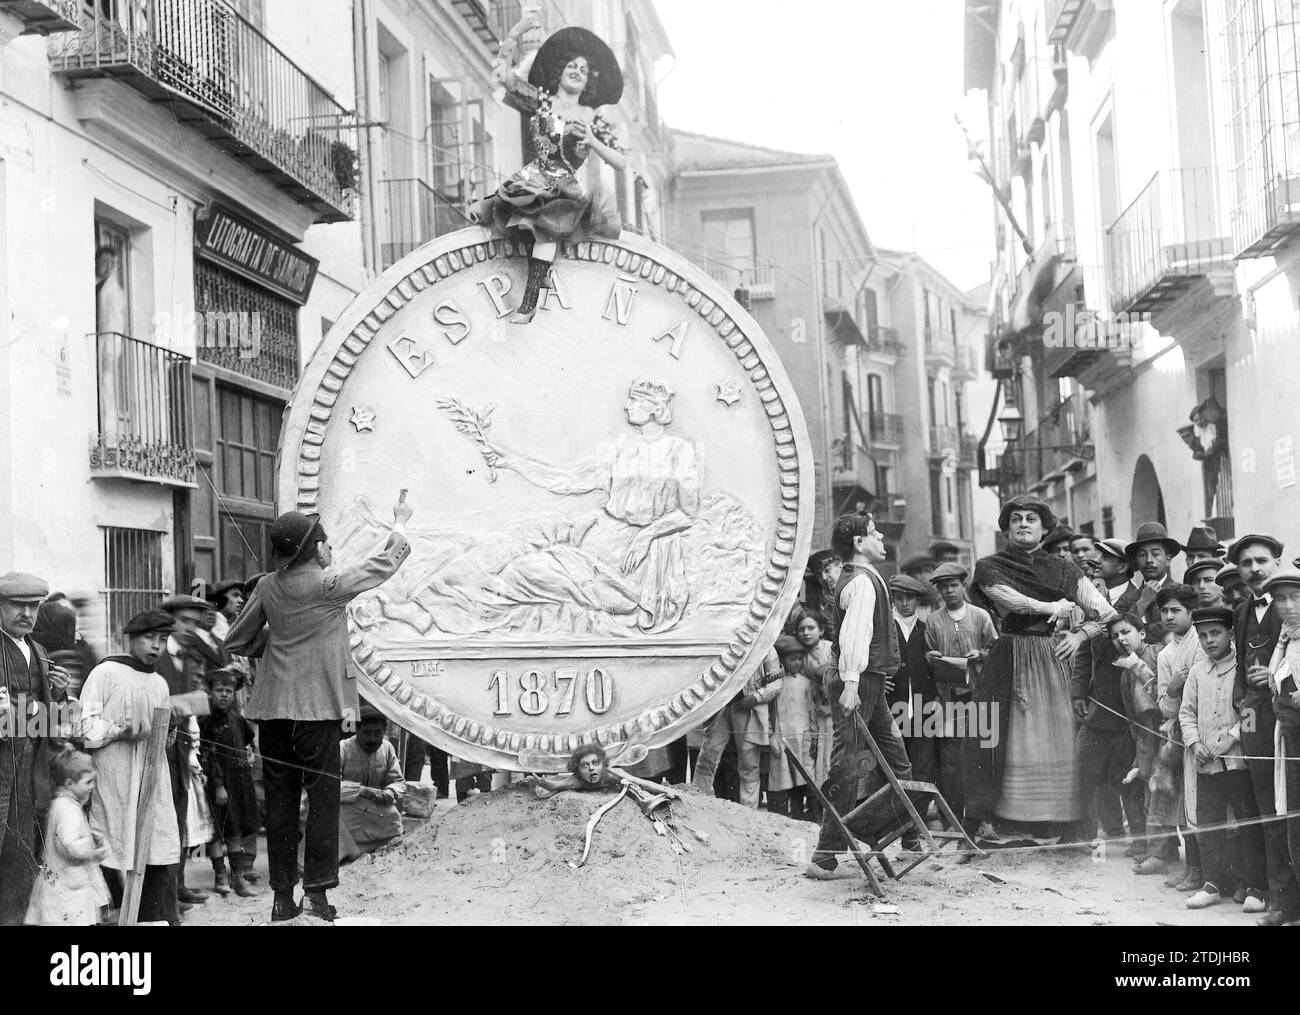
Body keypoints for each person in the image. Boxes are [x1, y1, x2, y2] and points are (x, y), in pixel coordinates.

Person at [224, 492, 413, 923]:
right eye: (325, 543)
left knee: (280, 806)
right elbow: (383, 565)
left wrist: (277, 644)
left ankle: (281, 898)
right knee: (323, 804)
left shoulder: (268, 585)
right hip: (317, 715)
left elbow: (235, 640)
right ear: (312, 549)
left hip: (271, 713)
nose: (330, 549)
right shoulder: (329, 586)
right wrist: (400, 522)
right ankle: (317, 895)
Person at [964, 496, 1117, 839]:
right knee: (990, 731)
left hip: (1051, 656)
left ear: (1045, 528)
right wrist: (1057, 607)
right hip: (1009, 655)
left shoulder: (1063, 569)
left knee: (1058, 736)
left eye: (1031, 518)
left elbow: (1105, 614)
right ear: (1005, 529)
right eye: (1015, 519)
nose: (1023, 524)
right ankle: (989, 819)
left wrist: (1079, 636)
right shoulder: (990, 566)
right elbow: (1009, 600)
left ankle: (1064, 824)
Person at [473, 17, 626, 322]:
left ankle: (529, 302)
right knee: (492, 222)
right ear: (560, 72)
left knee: (547, 233)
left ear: (588, 83)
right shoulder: (540, 101)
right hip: (531, 180)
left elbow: (621, 162)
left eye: (583, 71)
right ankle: (523, 280)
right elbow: (502, 75)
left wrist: (592, 140)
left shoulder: (593, 118)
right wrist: (516, 32)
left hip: (563, 188)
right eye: (572, 66)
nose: (577, 72)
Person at [806, 513, 915, 879]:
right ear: (857, 542)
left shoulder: (864, 577)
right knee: (848, 766)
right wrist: (851, 684)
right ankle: (826, 853)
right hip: (859, 680)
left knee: (899, 764)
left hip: (867, 680)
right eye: (873, 532)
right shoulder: (862, 583)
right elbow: (854, 635)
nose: (881, 536)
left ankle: (900, 832)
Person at [80, 609, 180, 926]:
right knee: (111, 838)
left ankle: (148, 919)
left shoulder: (160, 683)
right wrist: (118, 731)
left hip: (152, 776)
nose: (156, 646)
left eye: (162, 640)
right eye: (149, 638)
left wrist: (168, 732)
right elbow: (83, 725)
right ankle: (115, 915)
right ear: (133, 639)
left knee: (156, 840)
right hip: (115, 773)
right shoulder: (106, 673)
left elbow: (163, 738)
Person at [1228, 533, 1299, 925]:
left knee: (1287, 804)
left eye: (1261, 561)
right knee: (1263, 804)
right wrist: (1241, 701)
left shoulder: (1292, 606)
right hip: (1255, 718)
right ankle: (1275, 893)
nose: (1254, 569)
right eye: (1246, 563)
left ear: (1276, 563)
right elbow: (1240, 664)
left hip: (1288, 715)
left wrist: (1268, 676)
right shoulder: (1240, 610)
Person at [1180, 605, 1268, 912]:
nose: (1209, 640)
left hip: (1238, 761)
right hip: (1206, 763)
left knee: (1248, 823)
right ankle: (1212, 883)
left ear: (1230, 634)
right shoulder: (1196, 671)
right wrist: (1194, 743)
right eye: (1202, 635)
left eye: (1215, 633)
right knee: (1210, 823)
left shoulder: (1241, 668)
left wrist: (1231, 739)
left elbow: (1251, 712)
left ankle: (1256, 886)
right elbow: (1186, 712)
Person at [0, 572, 72, 925]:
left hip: (30, 769)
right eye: (18, 605)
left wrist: (57, 693)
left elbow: (47, 720)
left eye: (33, 606)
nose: (27, 614)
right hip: (1, 765)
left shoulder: (38, 651)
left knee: (23, 851)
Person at [155, 594, 224, 909]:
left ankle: (178, 886)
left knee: (181, 817)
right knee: (163, 820)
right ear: (169, 620)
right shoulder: (156, 655)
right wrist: (190, 703)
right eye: (184, 621)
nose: (189, 628)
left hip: (181, 748)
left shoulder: (189, 656)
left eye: (195, 623)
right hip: (158, 749)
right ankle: (164, 894)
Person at [925, 562, 997, 833]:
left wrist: (981, 655)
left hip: (977, 698)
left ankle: (981, 820)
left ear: (963, 586)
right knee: (951, 762)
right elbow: (929, 655)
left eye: (953, 585)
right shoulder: (933, 620)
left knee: (979, 758)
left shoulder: (980, 617)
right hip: (947, 701)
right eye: (944, 587)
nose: (949, 591)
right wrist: (930, 658)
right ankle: (952, 820)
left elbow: (995, 649)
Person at [1139, 585, 1202, 884]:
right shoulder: (1166, 654)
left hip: (1209, 727)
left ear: (1190, 611)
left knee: (1204, 802)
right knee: (1182, 801)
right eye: (1164, 611)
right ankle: (1192, 868)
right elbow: (1165, 707)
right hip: (1180, 732)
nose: (1169, 616)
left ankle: (1212, 871)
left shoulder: (1204, 639)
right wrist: (1175, 688)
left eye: (1176, 610)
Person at [24, 746, 110, 926]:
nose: (92, 787)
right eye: (88, 782)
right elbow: (69, 844)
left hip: (63, 881)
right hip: (68, 885)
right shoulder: (68, 809)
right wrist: (92, 849)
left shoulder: (63, 804)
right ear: (70, 783)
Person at [690, 647, 782, 809]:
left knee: (749, 764)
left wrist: (755, 698)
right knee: (708, 756)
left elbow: (776, 684)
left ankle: (748, 812)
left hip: (747, 709)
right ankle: (697, 805)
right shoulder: (719, 642)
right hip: (720, 708)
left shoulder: (766, 647)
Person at [1261, 567, 1300, 926]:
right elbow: (1279, 681)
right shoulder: (1286, 639)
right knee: (1291, 820)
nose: (1287, 606)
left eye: (1295, 597)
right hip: (1289, 735)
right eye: (1280, 600)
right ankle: (1290, 907)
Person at [198, 669, 258, 898]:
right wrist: (219, 784)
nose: (223, 695)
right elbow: (208, 755)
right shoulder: (207, 721)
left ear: (234, 694)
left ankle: (238, 877)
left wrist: (249, 753)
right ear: (210, 692)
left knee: (236, 829)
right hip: (218, 784)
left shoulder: (236, 718)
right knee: (217, 830)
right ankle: (220, 875)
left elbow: (248, 741)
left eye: (228, 691)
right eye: (218, 690)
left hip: (239, 781)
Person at [888, 573, 937, 847]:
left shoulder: (926, 629)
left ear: (918, 600)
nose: (905, 603)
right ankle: (893, 828)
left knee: (922, 769)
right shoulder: (885, 629)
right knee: (893, 769)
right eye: (899, 597)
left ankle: (913, 834)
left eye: (910, 598)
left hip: (922, 710)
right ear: (893, 599)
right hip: (892, 709)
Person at [773, 610, 834, 822]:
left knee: (825, 766)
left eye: (811, 628)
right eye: (802, 629)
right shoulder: (797, 662)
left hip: (829, 716)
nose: (806, 633)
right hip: (804, 723)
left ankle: (827, 814)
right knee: (805, 771)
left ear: (821, 630)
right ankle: (805, 814)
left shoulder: (829, 650)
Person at [339, 703, 406, 861]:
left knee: (393, 819)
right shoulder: (342, 748)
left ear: (384, 732)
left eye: (378, 733)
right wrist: (363, 791)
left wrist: (390, 792)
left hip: (376, 807)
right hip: (346, 806)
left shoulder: (387, 748)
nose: (372, 738)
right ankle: (349, 854)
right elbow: (331, 784)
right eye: (367, 732)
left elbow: (398, 781)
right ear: (356, 731)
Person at [1126, 523, 1181, 644]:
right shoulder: (1129, 597)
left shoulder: (1181, 593)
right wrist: (1142, 602)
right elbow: (1121, 630)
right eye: (1142, 555)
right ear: (1136, 561)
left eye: (1155, 554)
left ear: (1168, 559)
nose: (1149, 560)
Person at [808, 550, 843, 626]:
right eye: (818, 574)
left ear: (841, 566)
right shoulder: (818, 607)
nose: (823, 577)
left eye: (827, 570)